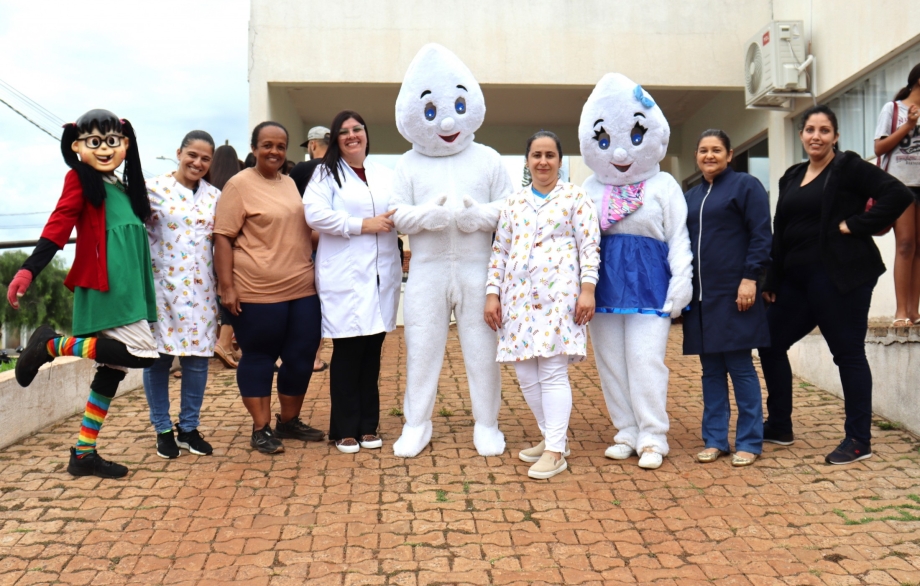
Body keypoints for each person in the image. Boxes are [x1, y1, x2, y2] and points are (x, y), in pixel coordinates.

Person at [6, 109, 157, 479]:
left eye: (112, 141)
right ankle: (51, 346)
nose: (104, 149)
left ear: (125, 144)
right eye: (95, 142)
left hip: (130, 287)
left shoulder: (121, 186)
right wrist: (28, 269)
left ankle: (84, 454)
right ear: (77, 146)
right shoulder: (79, 180)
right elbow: (58, 225)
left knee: (114, 366)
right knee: (141, 355)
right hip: (109, 286)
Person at [759, 104, 913, 465]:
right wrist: (772, 277)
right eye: (810, 130)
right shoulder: (792, 176)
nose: (816, 136)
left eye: (824, 130)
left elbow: (898, 194)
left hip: (840, 278)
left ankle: (859, 440)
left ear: (836, 136)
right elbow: (782, 231)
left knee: (847, 354)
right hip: (797, 281)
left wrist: (856, 224)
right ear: (801, 135)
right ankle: (780, 424)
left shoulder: (848, 167)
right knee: (769, 341)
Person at [484, 131, 600, 479]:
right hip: (517, 301)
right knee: (524, 373)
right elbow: (500, 251)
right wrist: (492, 293)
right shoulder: (513, 203)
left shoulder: (576, 198)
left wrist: (588, 289)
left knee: (551, 372)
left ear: (560, 161)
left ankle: (554, 451)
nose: (543, 161)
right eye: (536, 155)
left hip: (560, 300)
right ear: (527, 161)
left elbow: (589, 247)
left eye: (550, 155)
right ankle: (555, 439)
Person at [213, 121, 325, 454]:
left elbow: (302, 230)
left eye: (280, 145)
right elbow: (222, 237)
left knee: (301, 357)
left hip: (302, 288)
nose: (274, 151)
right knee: (260, 358)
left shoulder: (290, 183)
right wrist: (227, 287)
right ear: (254, 148)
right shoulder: (238, 185)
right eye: (267, 145)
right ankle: (260, 428)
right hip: (256, 291)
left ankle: (288, 422)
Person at [304, 110, 401, 454]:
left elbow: (400, 210)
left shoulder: (384, 174)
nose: (351, 135)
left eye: (357, 129)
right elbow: (314, 214)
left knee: (372, 351)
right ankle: (344, 429)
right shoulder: (324, 175)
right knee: (347, 351)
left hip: (379, 275)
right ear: (336, 139)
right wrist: (363, 224)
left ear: (365, 134)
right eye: (343, 131)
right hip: (344, 275)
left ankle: (368, 425)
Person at [682, 130, 771, 467]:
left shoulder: (745, 186)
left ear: (729, 154)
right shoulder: (690, 196)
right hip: (702, 300)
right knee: (710, 371)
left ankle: (749, 441)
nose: (709, 156)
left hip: (736, 294)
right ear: (696, 155)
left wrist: (750, 278)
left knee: (740, 366)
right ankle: (716, 439)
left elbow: (762, 235)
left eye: (716, 150)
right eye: (703, 150)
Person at [143, 130, 221, 459]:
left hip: (202, 291)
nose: (197, 162)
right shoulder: (152, 190)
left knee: (198, 362)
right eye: (192, 155)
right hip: (162, 291)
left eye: (205, 158)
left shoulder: (216, 197)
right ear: (179, 152)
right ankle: (162, 429)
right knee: (158, 360)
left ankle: (188, 428)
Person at [874, 63, 920, 326]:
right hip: (898, 185)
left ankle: (914, 312)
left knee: (919, 248)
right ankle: (901, 312)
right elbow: (879, 148)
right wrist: (908, 126)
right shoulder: (893, 109)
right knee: (905, 245)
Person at [291, 126, 331, 373]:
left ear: (313, 145)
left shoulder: (301, 170)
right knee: (323, 303)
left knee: (299, 302)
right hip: (334, 244)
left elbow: (291, 208)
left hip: (304, 245)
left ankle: (286, 356)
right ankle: (315, 357)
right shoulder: (342, 170)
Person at [207, 144, 243, 369]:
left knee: (212, 301)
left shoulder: (207, 186)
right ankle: (224, 344)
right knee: (231, 298)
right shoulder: (237, 186)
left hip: (205, 253)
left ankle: (221, 343)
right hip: (227, 250)